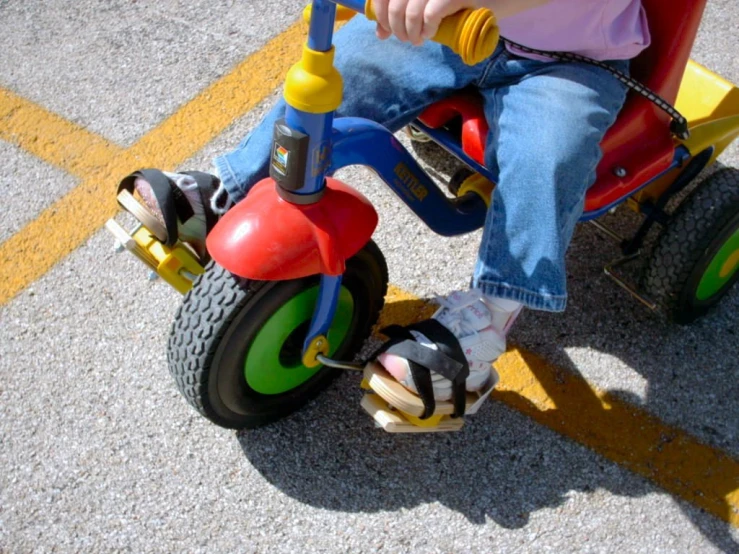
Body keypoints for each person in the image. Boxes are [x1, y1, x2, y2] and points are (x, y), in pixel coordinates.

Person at [125, 0, 650, 405]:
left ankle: (490, 313)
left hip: (572, 59)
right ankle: (230, 192)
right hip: (448, 29)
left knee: (547, 157)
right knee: (345, 67)